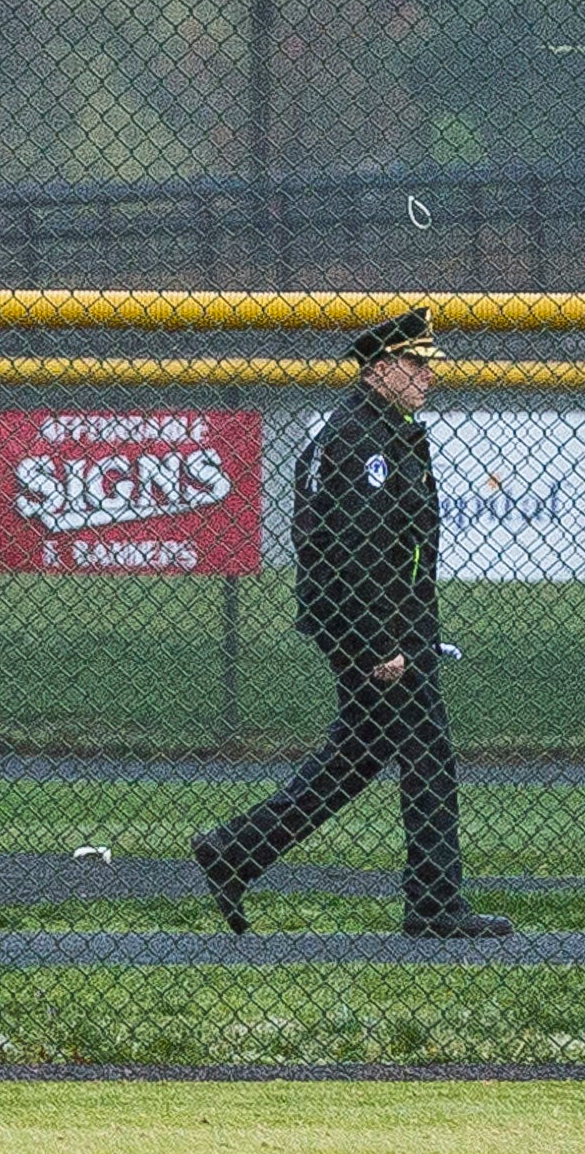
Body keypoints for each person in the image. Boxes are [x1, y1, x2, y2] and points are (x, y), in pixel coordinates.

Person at [191, 306, 513, 940]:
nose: (427, 378)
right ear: (380, 369)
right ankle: (434, 903)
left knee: (356, 758)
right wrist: (381, 641)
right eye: (416, 366)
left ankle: (235, 852)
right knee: (427, 755)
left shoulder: (374, 432)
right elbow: (357, 550)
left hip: (374, 626)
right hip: (377, 631)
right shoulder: (363, 440)